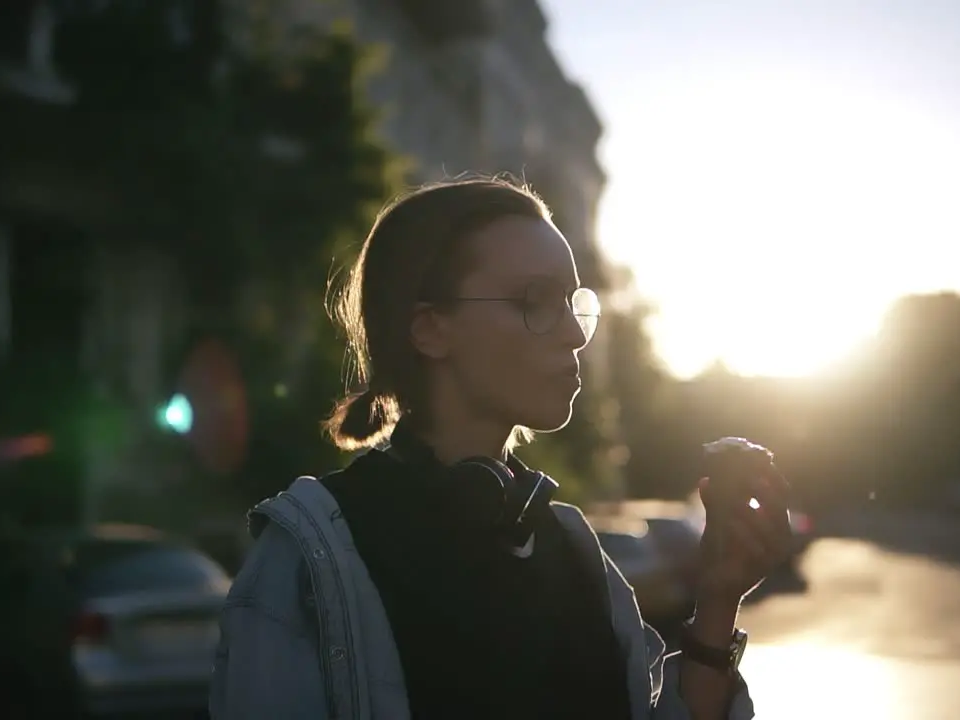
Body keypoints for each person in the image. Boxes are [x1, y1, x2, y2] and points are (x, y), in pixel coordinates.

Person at [210, 177, 792, 719]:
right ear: (430, 329)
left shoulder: (576, 553)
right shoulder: (311, 558)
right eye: (534, 302)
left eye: (572, 303)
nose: (572, 333)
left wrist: (717, 601)